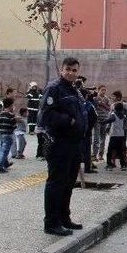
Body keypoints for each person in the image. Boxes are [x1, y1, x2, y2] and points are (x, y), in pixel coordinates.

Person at [39, 57, 88, 236]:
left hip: (74, 144)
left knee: (68, 183)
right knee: (56, 183)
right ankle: (51, 223)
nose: (71, 73)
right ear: (61, 69)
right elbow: (46, 116)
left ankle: (64, 218)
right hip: (60, 143)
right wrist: (70, 120)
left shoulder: (74, 90)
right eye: (68, 69)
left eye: (75, 70)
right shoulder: (54, 89)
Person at [102, 102, 127, 171]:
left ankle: (109, 164)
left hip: (114, 135)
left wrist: (103, 122)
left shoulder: (114, 114)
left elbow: (110, 120)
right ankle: (123, 165)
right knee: (120, 151)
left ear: (115, 108)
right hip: (121, 135)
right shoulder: (123, 115)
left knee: (110, 150)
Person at [80, 89, 98, 174]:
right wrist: (90, 127)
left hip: (76, 131)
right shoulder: (89, 105)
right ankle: (87, 168)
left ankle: (75, 167)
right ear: (86, 96)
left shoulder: (76, 104)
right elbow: (95, 117)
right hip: (86, 132)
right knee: (87, 150)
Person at [0, 97, 16, 173]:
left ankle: (5, 163)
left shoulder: (1, 114)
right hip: (8, 134)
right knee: (5, 151)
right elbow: (14, 126)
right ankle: (0, 166)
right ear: (11, 105)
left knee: (3, 149)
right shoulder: (11, 115)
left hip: (1, 134)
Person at [92, 85, 110, 161]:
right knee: (96, 138)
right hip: (97, 119)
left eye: (105, 90)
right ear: (99, 90)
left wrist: (103, 104)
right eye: (102, 90)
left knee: (103, 138)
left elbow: (109, 108)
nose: (103, 92)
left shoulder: (106, 99)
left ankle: (101, 155)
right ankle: (94, 155)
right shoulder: (95, 98)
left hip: (105, 119)